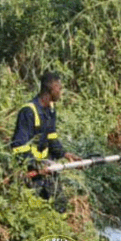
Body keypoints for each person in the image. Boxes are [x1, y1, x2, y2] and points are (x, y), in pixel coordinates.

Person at [11, 71, 78, 206]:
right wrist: (35, 165)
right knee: (32, 206)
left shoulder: (50, 109)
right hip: (32, 172)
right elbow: (19, 146)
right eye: (59, 88)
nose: (61, 92)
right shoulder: (28, 111)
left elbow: (52, 137)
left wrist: (64, 154)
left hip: (48, 169)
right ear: (50, 88)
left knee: (60, 204)